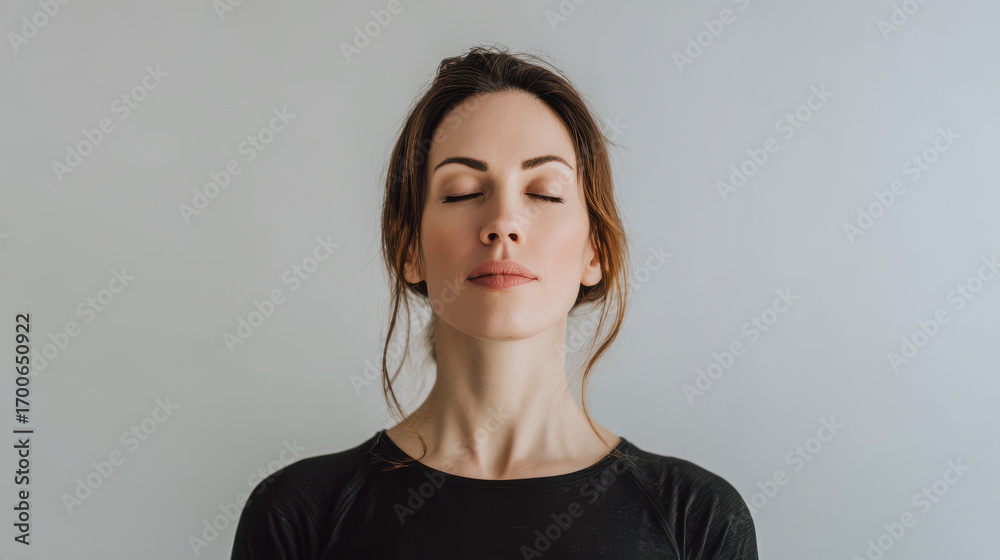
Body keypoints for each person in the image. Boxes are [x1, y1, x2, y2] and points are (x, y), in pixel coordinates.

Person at [230, 45, 758, 559]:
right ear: (409, 249)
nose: (503, 222)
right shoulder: (298, 515)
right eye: (462, 191)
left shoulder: (697, 518)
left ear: (595, 252)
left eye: (544, 192)